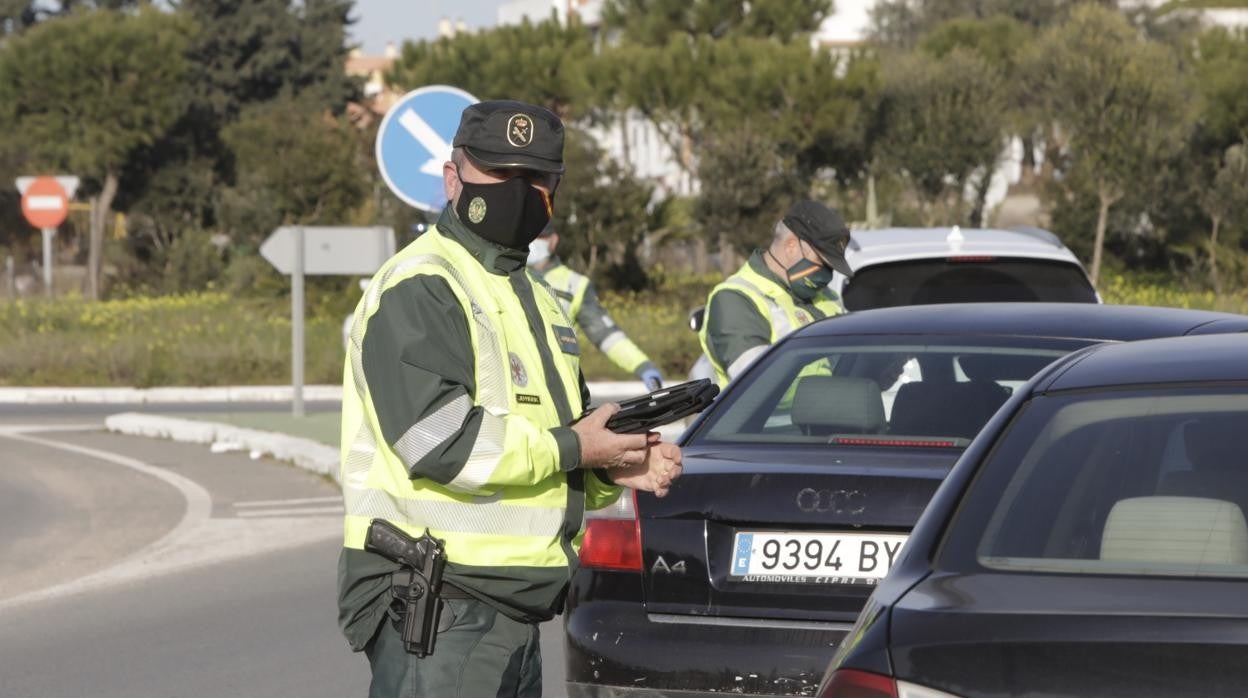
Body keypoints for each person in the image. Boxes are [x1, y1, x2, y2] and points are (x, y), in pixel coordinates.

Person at [337, 100, 684, 698]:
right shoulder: (423, 285)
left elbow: (553, 451)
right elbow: (438, 440)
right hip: (440, 607)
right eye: (500, 175)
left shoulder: (540, 300)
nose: (519, 192)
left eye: (536, 179)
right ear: (454, 179)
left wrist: (617, 464)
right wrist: (579, 445)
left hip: (509, 615)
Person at [699, 200, 853, 387]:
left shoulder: (829, 297)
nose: (827, 275)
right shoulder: (736, 299)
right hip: (766, 418)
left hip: (828, 415)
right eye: (823, 262)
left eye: (831, 267)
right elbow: (758, 383)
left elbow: (850, 363)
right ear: (791, 246)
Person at [527, 224, 665, 391]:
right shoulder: (505, 274)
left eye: (539, 237)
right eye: (529, 235)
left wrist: (643, 366)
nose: (532, 241)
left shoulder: (574, 284)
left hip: (556, 387)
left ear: (553, 241)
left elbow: (606, 335)